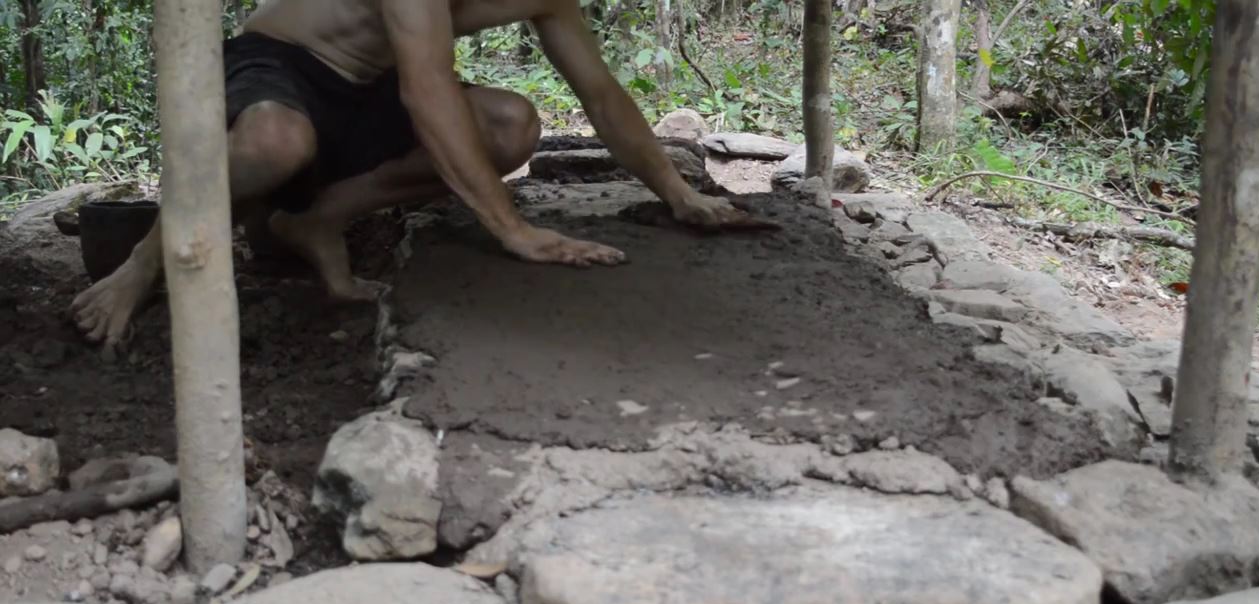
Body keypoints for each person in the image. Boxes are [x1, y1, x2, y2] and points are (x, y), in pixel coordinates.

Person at [71, 0, 771, 349]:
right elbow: (428, 90)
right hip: (277, 66)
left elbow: (601, 94)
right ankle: (143, 261)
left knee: (511, 127)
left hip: (368, 89)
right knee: (279, 141)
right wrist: (512, 228)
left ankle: (317, 220)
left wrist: (680, 194)